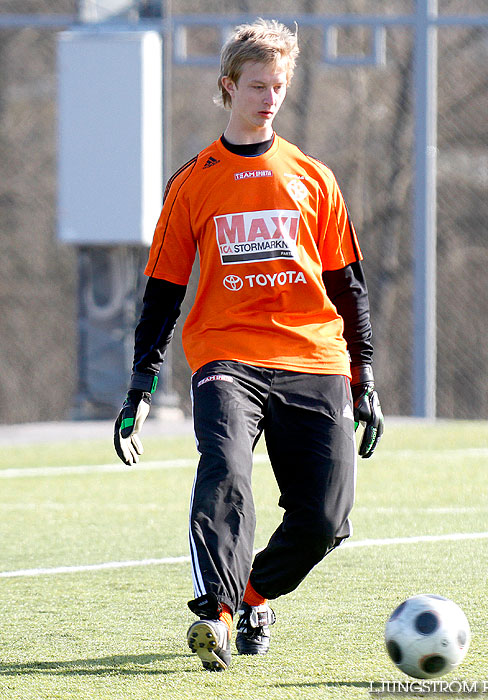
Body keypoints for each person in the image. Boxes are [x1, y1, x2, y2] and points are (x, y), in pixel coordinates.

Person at [113, 18, 383, 672]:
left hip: (310, 357)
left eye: (279, 87)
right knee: (225, 470)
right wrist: (140, 387)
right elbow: (162, 291)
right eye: (257, 85)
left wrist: (363, 373)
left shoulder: (312, 178)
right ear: (227, 87)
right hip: (226, 357)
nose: (269, 99)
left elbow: (347, 284)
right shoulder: (194, 181)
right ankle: (217, 612)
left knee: (324, 521)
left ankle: (254, 595)